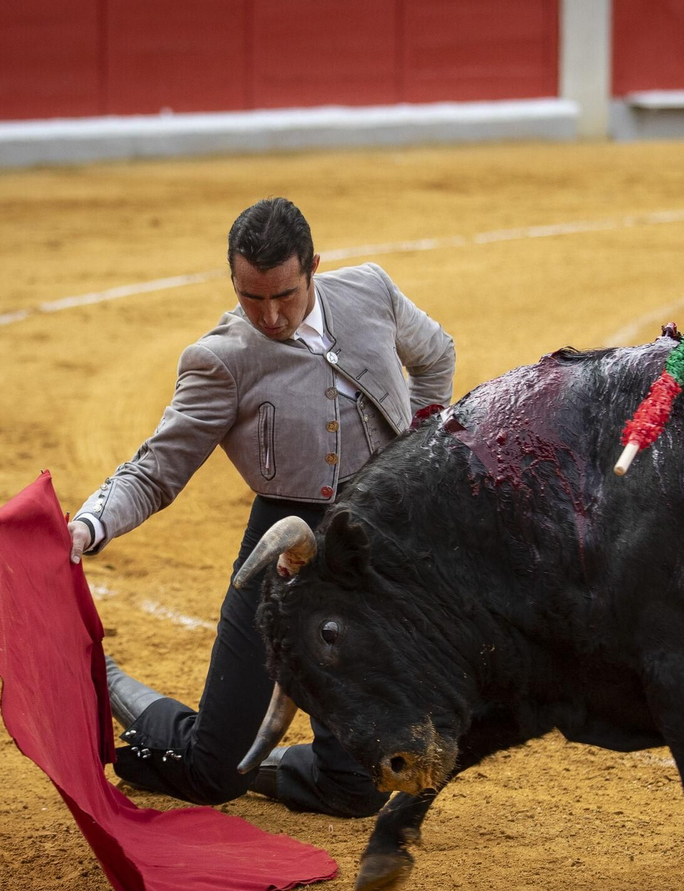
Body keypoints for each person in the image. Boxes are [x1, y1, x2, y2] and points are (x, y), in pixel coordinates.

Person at [68, 196, 455, 816]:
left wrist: (419, 448)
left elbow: (435, 355)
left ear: (313, 268)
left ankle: (263, 765)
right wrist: (90, 524)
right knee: (209, 775)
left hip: (373, 552)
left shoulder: (371, 293)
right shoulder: (222, 359)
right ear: (233, 282)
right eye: (252, 298)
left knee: (356, 790)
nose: (270, 316)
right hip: (276, 554)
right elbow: (156, 468)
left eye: (285, 295)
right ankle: (110, 681)